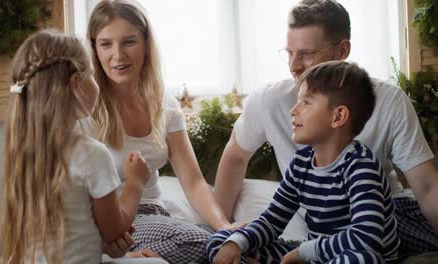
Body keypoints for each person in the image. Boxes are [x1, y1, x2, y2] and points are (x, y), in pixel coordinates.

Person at [213, 0, 438, 255]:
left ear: (342, 50)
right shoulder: (271, 103)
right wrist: (221, 227)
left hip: (382, 216)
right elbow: (235, 156)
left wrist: (305, 253)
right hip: (318, 223)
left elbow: (427, 188)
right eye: (289, 53)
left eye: (307, 54)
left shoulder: (387, 102)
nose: (294, 66)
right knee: (226, 243)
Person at [0, 29, 168, 264]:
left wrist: (117, 250)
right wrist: (136, 181)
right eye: (93, 75)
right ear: (77, 83)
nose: (97, 83)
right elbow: (115, 231)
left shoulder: (24, 152)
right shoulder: (90, 153)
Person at [208, 60, 400, 264]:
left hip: (353, 255)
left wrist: (303, 252)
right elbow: (272, 222)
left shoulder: (361, 168)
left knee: (361, 259)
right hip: (315, 256)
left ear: (338, 116)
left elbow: (366, 238)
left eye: (306, 102)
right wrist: (237, 242)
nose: (293, 110)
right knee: (222, 242)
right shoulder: (301, 163)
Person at [87, 0, 231, 263]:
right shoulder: (86, 109)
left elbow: (194, 182)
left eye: (129, 42)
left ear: (145, 45)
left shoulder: (164, 103)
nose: (117, 55)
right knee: (202, 243)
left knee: (237, 241)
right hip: (124, 225)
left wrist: (225, 227)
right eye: (106, 44)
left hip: (161, 217)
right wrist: (119, 250)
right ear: (94, 49)